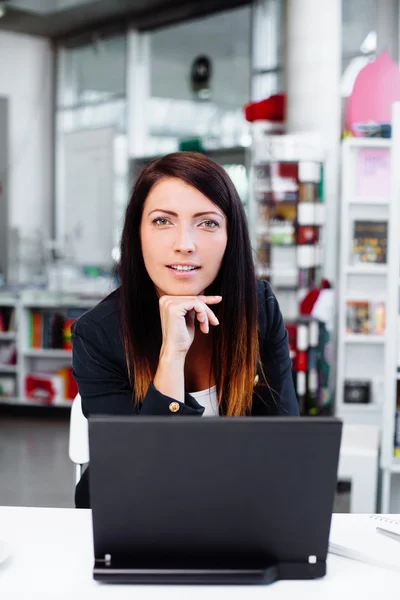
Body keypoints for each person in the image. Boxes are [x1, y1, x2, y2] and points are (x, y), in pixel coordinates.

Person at [71, 152, 299, 508]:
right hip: (141, 523)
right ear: (137, 234)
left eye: (207, 223)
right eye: (163, 221)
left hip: (241, 516)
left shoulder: (258, 308)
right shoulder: (98, 334)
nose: (185, 244)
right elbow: (126, 482)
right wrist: (172, 356)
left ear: (230, 236)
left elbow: (286, 449)